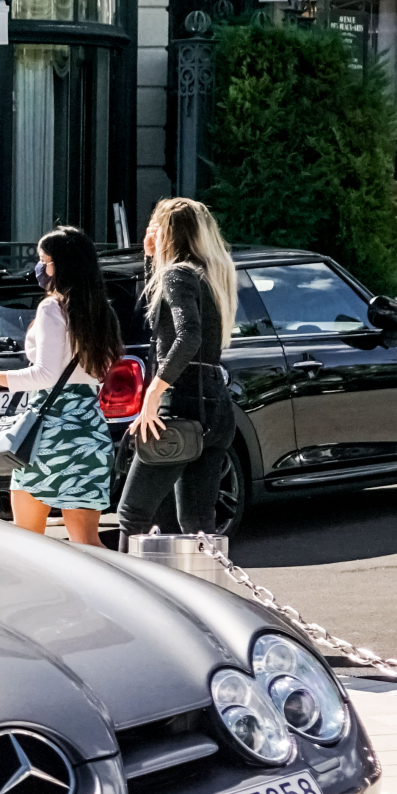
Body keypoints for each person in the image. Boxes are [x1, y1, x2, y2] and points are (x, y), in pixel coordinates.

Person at [0, 225, 120, 546]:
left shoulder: (53, 308)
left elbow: (45, 375)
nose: (40, 268)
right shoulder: (101, 311)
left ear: (61, 265)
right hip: (89, 433)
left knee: (31, 544)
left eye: (44, 261)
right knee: (88, 543)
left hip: (49, 438)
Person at [116, 197, 240, 539]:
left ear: (167, 233)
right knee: (198, 526)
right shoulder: (211, 276)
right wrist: (148, 259)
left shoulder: (177, 274)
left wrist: (153, 394)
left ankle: (131, 594)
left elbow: (187, 336)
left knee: (132, 515)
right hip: (217, 406)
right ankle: (205, 590)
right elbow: (161, 320)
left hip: (180, 404)